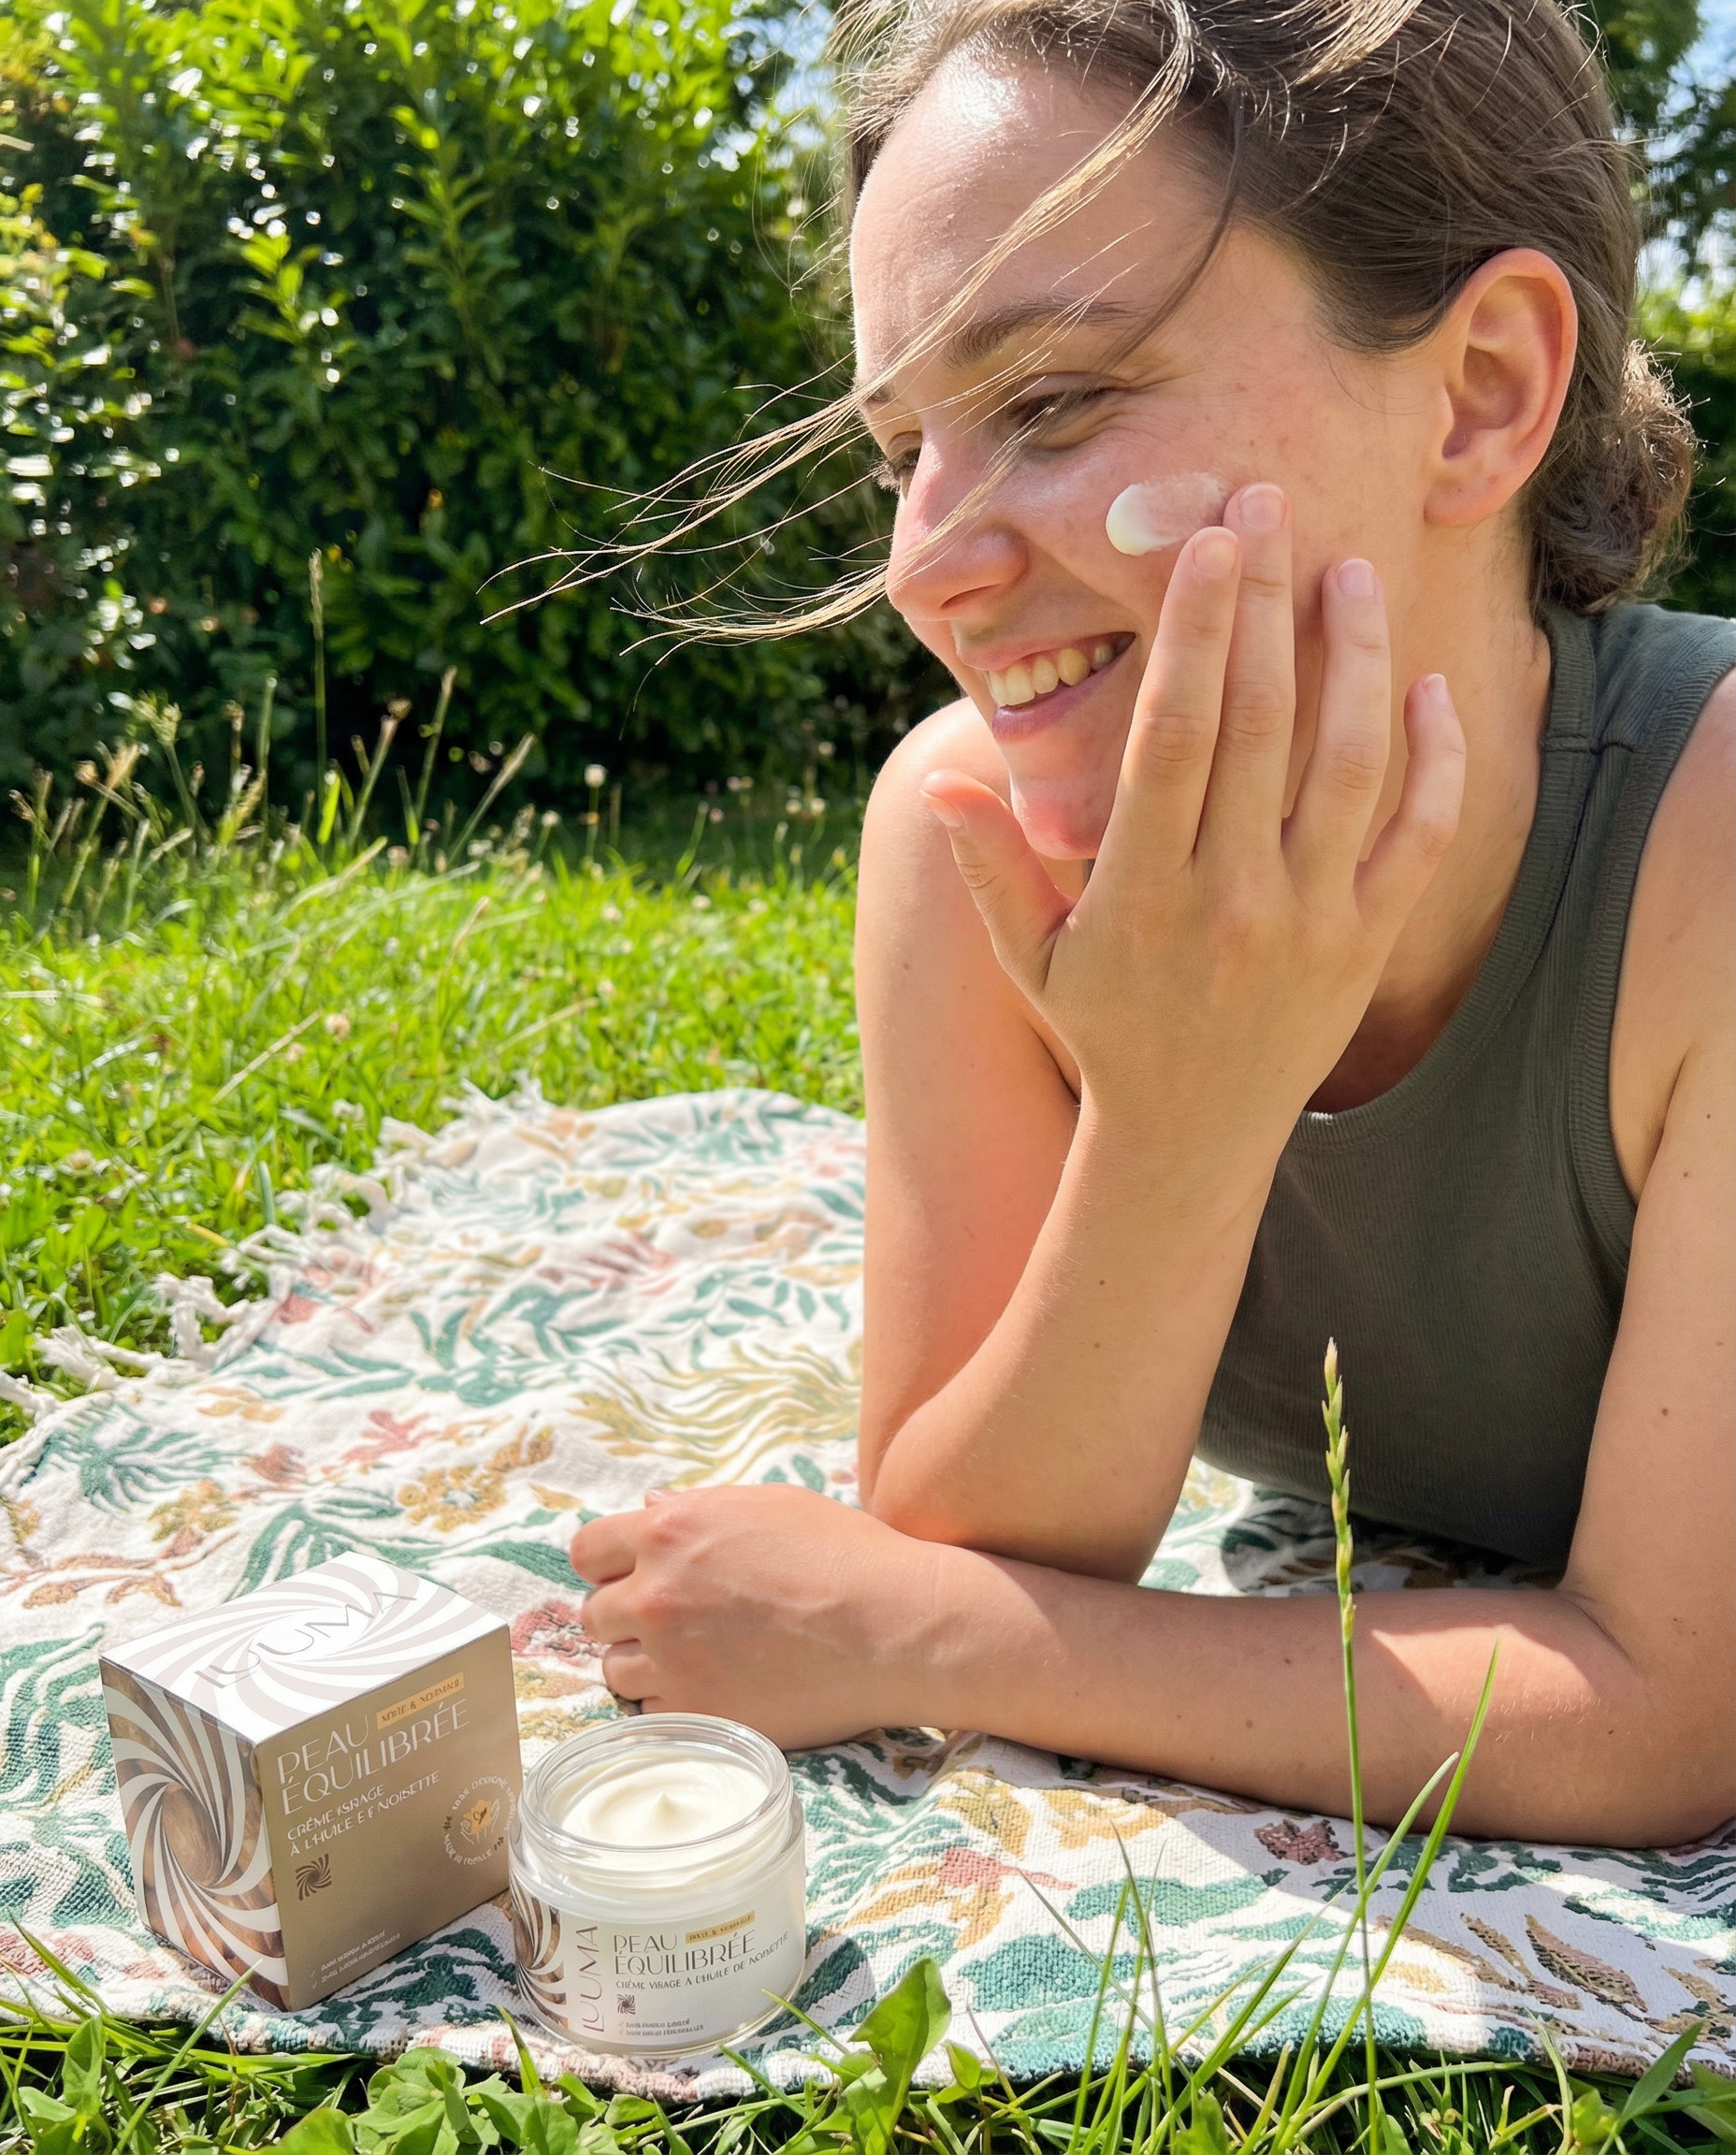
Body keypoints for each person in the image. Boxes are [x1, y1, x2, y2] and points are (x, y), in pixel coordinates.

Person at [571, 0, 1735, 1844]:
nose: (923, 565)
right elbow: (982, 1537)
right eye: (901, 450)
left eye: (1045, 399)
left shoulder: (1713, 845)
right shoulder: (966, 835)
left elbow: (1662, 1721)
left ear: (1483, 390)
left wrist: (954, 1650)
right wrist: (1176, 1119)